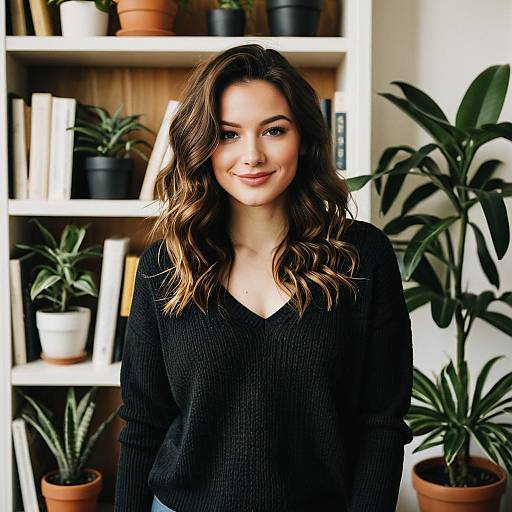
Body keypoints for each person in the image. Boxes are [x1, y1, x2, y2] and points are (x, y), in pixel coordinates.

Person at [114, 43, 413, 512]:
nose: (251, 155)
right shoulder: (164, 265)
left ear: (305, 139)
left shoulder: (361, 257)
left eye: (273, 130)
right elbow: (143, 425)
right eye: (228, 134)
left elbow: (381, 422)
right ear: (201, 145)